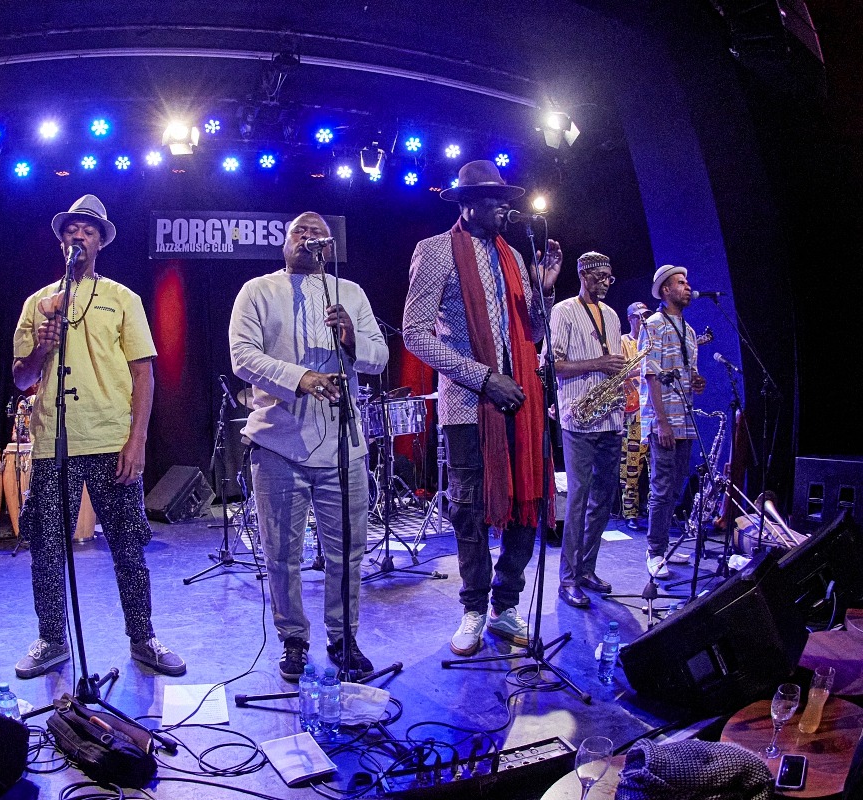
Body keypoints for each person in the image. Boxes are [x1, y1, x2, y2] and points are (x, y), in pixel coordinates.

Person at [11, 194, 185, 678]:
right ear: (61, 239)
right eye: (72, 229)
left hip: (112, 440)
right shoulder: (37, 304)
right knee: (48, 549)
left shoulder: (122, 298)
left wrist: (137, 440)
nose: (79, 236)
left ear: (100, 242)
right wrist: (40, 351)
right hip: (54, 441)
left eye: (88, 230)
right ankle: (51, 639)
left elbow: (144, 373)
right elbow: (22, 378)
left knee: (128, 547)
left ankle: (143, 637)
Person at [402, 160, 561, 656]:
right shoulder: (434, 251)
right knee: (468, 509)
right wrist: (485, 379)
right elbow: (414, 334)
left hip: (522, 403)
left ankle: (505, 604)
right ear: (466, 204)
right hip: (469, 406)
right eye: (491, 199)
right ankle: (473, 607)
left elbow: (534, 335)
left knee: (527, 504)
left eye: (503, 198)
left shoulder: (514, 255)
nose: (501, 207)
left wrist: (544, 291)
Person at [229, 212, 388, 680]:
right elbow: (242, 357)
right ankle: (294, 638)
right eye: (300, 231)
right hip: (278, 443)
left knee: (347, 552)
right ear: (285, 243)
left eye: (318, 233)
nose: (309, 237)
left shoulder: (350, 293)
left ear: (330, 247)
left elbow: (379, 358)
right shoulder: (257, 291)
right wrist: (301, 378)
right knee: (282, 554)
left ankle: (344, 638)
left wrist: (352, 339)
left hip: (343, 447)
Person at [550, 252, 624, 608]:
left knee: (604, 500)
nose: (606, 282)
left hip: (610, 418)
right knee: (578, 500)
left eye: (610, 277)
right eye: (600, 276)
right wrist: (599, 363)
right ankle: (568, 579)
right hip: (578, 419)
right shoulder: (563, 311)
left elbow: (614, 364)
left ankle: (586, 570)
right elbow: (554, 365)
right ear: (583, 274)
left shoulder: (612, 316)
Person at [641, 265, 706, 579]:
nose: (687, 286)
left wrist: (697, 382)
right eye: (681, 282)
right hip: (664, 420)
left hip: (685, 420)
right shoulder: (653, 325)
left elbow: (688, 374)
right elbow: (650, 374)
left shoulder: (690, 331)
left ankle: (664, 546)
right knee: (662, 487)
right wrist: (662, 422)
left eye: (687, 281)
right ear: (665, 290)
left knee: (677, 486)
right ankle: (654, 552)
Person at [620, 301, 650, 530]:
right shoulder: (623, 342)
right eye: (640, 317)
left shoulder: (652, 342)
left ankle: (654, 510)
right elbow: (619, 373)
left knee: (655, 466)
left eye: (646, 316)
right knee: (631, 466)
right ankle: (630, 512)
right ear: (630, 318)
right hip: (632, 411)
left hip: (651, 410)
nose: (644, 320)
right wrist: (644, 368)